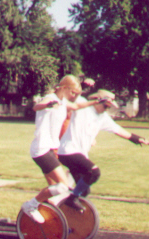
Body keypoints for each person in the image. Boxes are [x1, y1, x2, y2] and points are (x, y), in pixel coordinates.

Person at [21, 75, 100, 223]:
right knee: (63, 185)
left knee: (55, 189)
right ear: (64, 88)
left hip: (50, 149)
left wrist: (95, 102)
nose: (75, 97)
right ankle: (30, 205)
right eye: (73, 93)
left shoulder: (63, 102)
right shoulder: (50, 98)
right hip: (41, 150)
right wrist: (47, 105)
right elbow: (36, 107)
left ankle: (53, 220)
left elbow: (76, 106)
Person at [57, 89, 149, 211]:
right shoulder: (83, 106)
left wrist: (136, 139)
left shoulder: (103, 118)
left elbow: (118, 130)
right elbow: (71, 92)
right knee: (94, 172)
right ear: (97, 101)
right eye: (105, 105)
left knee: (84, 191)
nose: (106, 109)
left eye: (108, 107)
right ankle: (71, 198)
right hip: (68, 151)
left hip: (79, 155)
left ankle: (62, 209)